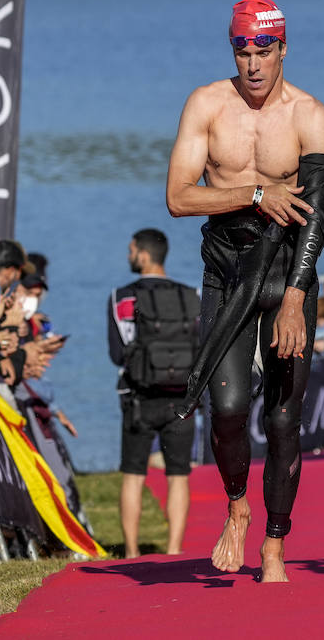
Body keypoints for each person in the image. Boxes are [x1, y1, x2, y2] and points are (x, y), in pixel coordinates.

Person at [165, 0, 324, 583]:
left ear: (283, 47)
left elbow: (317, 214)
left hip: (290, 273)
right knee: (229, 410)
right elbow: (180, 197)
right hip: (228, 272)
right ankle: (237, 505)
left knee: (285, 417)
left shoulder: (310, 114)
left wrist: (296, 295)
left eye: (264, 48)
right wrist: (255, 194)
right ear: (232, 50)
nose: (254, 62)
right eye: (242, 49)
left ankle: (275, 543)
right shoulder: (207, 105)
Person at [107, 228, 200, 558]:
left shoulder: (121, 297)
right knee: (178, 475)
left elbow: (118, 354)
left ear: (143, 255)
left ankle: (131, 552)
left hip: (138, 397)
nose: (129, 255)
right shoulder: (190, 295)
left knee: (133, 474)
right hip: (181, 398)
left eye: (131, 250)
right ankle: (174, 550)